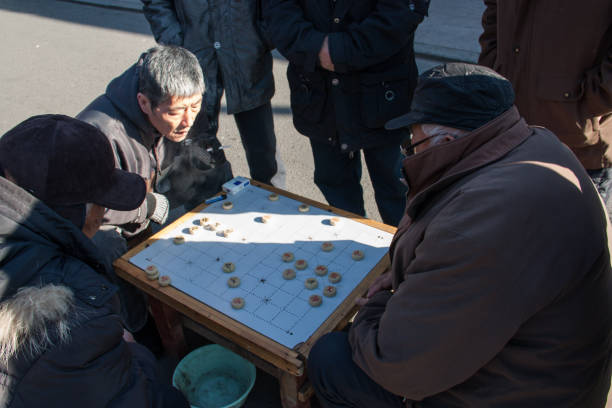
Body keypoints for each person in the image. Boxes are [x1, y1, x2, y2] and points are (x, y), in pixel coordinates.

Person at [307, 63, 612, 407]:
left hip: (521, 392)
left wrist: (376, 308)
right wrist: (413, 270)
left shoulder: (485, 220)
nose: (409, 152)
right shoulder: (536, 143)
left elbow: (396, 364)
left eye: (414, 143)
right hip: (552, 373)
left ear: (447, 142)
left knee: (331, 358)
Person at [0, 114, 189, 407]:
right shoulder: (71, 326)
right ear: (81, 213)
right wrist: (133, 353)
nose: (103, 215)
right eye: (103, 204)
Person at [261, 0, 430, 226]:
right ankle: (353, 247)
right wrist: (315, 48)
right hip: (319, 93)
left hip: (384, 95)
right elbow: (278, 11)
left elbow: (401, 13)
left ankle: (410, 254)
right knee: (336, 188)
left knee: (398, 190)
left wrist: (340, 51)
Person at [78, 45, 232, 239]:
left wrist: (222, 178)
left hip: (155, 169)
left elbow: (204, 144)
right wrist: (147, 205)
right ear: (144, 103)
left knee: (214, 172)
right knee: (106, 242)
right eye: (174, 112)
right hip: (104, 204)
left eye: (195, 106)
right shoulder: (101, 135)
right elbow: (92, 209)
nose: (188, 121)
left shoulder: (185, 102)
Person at [478, 1, 612, 216]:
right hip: (509, 133)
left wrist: (590, 103)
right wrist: (493, 61)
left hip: (578, 149)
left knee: (572, 245)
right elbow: (494, 10)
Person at [141, 0, 285, 187]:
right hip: (194, 54)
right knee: (196, 145)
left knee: (262, 147)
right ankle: (205, 201)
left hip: (247, 54)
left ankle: (272, 199)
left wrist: (262, 36)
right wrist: (175, 41)